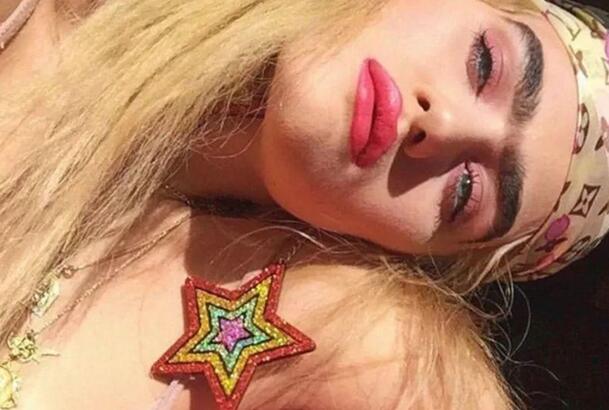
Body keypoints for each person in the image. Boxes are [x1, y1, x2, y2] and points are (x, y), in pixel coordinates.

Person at [0, 0, 607, 408]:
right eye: (484, 63)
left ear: (413, 255)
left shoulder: (357, 351)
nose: (443, 124)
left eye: (467, 192)